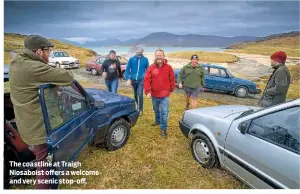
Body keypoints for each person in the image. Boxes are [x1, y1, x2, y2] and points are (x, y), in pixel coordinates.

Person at [9, 35, 74, 189]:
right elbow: (67, 77)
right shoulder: (33, 67)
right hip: (38, 125)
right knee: (45, 166)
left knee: (40, 155)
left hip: (25, 120)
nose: (50, 54)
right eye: (48, 51)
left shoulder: (17, 62)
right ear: (38, 52)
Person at [144, 49, 175, 138]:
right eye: (157, 55)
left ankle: (163, 128)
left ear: (164, 56)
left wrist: (171, 90)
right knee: (156, 109)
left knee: (164, 112)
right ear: (155, 57)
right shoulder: (151, 67)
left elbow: (172, 79)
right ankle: (157, 120)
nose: (159, 57)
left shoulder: (168, 67)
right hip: (154, 94)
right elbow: (147, 80)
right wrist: (147, 91)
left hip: (165, 95)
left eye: (160, 55)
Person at [125, 47, 149, 115]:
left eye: (141, 51)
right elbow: (127, 70)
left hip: (141, 80)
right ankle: (136, 106)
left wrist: (146, 78)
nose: (140, 52)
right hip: (133, 80)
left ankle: (140, 109)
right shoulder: (131, 59)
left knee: (140, 94)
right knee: (135, 94)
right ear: (136, 51)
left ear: (142, 52)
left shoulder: (145, 59)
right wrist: (128, 78)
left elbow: (148, 70)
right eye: (138, 51)